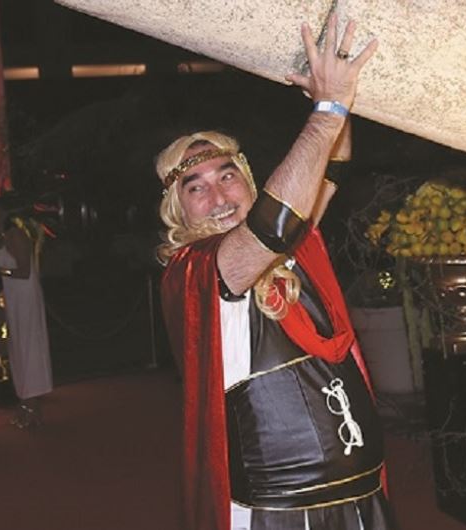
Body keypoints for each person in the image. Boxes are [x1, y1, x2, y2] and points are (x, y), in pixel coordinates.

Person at [158, 15, 394, 530]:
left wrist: (334, 95)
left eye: (227, 176)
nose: (219, 196)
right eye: (196, 188)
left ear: (249, 182)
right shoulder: (197, 270)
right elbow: (272, 224)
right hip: (280, 512)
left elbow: (333, 168)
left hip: (361, 494)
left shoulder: (293, 246)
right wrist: (327, 110)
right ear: (179, 211)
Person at [0, 196, 52, 429]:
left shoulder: (15, 235)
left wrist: (0, 270)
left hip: (25, 294)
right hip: (10, 296)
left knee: (29, 345)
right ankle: (24, 400)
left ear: (4, 213)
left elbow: (24, 271)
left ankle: (32, 404)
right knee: (16, 347)